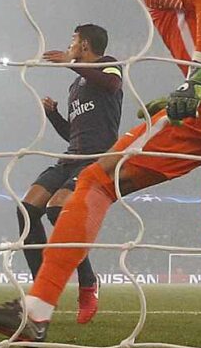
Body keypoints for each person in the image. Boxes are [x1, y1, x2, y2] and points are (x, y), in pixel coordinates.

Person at [0, 0, 201, 341]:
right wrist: (182, 88)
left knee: (96, 182)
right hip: (168, 117)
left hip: (199, 112)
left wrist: (199, 80)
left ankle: (40, 308)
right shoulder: (78, 86)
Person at [17, 25, 123, 323]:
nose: (69, 45)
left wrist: (69, 62)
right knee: (26, 210)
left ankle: (88, 283)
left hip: (97, 159)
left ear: (85, 44)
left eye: (73, 40)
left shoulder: (109, 65)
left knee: (58, 210)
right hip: (71, 156)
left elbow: (112, 85)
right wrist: (53, 115)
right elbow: (73, 134)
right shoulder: (76, 85)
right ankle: (41, 289)